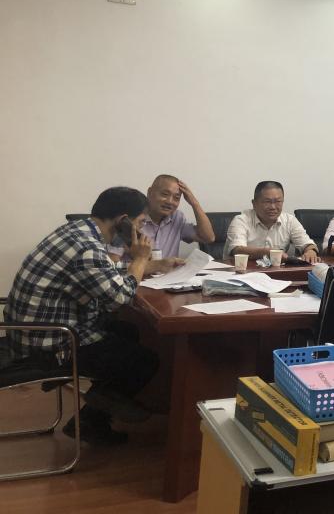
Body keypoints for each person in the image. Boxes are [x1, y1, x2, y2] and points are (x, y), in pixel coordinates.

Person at [4, 187, 160, 445]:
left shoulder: (76, 232)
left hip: (31, 332)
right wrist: (140, 259)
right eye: (141, 223)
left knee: (128, 331)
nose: (142, 231)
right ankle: (97, 410)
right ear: (123, 221)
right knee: (145, 360)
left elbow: (99, 270)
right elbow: (120, 297)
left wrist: (152, 265)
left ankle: (100, 403)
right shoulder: (87, 247)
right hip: (48, 346)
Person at [110, 174, 216, 270]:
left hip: (168, 281)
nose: (170, 201)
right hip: (137, 280)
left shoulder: (177, 217)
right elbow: (112, 266)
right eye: (165, 194)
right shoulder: (132, 218)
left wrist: (194, 203)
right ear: (150, 192)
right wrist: (154, 266)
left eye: (176, 198)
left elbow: (208, 238)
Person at [225, 181, 319, 262]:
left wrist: (311, 251)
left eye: (278, 202)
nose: (273, 207)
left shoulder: (289, 221)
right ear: (254, 203)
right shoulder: (241, 221)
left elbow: (308, 244)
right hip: (242, 273)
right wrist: (266, 253)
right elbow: (237, 250)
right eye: (267, 202)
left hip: (276, 273)